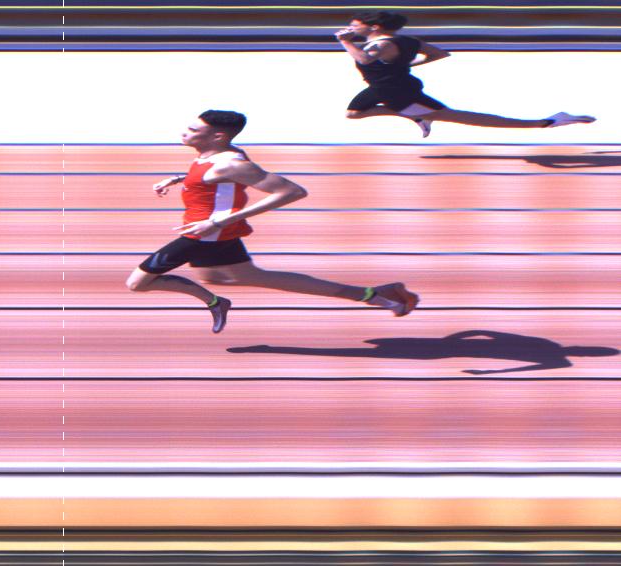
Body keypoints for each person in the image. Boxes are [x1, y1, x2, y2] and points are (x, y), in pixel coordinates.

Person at [126, 110, 419, 333]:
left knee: (138, 283)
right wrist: (179, 179)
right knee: (236, 277)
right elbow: (212, 181)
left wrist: (220, 222)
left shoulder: (231, 163)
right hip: (209, 232)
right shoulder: (213, 156)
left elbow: (292, 191)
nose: (185, 132)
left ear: (217, 136)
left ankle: (215, 303)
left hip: (204, 234)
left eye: (193, 130)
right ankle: (378, 295)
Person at [337, 11, 595, 137]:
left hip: (398, 91)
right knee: (353, 113)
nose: (350, 28)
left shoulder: (380, 45)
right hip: (387, 86)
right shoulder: (408, 40)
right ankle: (418, 116)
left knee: (460, 117)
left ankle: (548, 121)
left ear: (374, 27)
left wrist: (346, 41)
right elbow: (439, 54)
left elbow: (364, 58)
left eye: (354, 25)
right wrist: (403, 66)